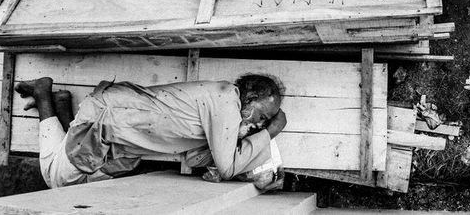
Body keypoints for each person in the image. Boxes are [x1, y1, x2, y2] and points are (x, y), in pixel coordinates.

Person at [15, 74, 287, 189]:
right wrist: (271, 132)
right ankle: (43, 96)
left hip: (119, 138)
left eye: (263, 123)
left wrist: (223, 154)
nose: (257, 124)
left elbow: (193, 158)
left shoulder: (224, 107)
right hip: (104, 124)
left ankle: (59, 101)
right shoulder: (227, 102)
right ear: (251, 96)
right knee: (58, 181)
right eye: (261, 116)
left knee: (72, 183)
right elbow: (228, 168)